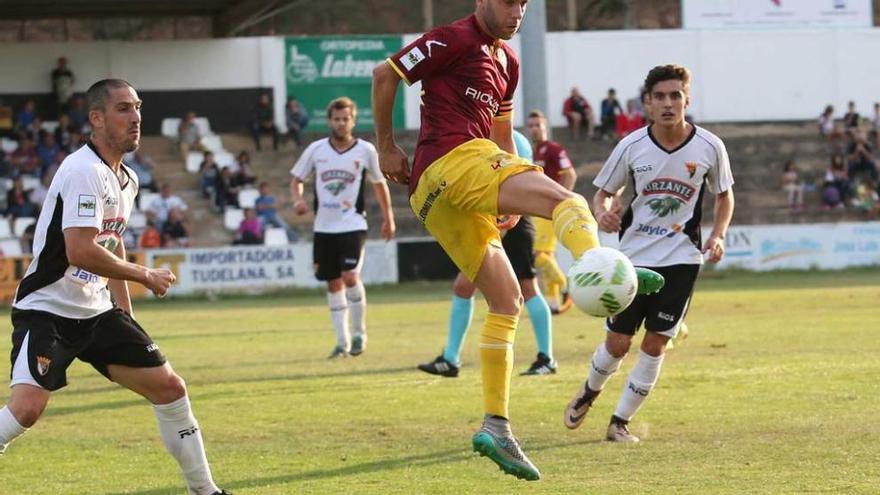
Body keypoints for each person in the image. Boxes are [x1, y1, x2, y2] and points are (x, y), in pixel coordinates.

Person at [372, 0, 663, 480]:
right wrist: (385, 145)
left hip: (434, 196)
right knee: (570, 203)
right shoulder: (453, 38)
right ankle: (602, 268)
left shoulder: (507, 61)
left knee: (506, 302)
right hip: (454, 161)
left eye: (524, 4)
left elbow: (502, 135)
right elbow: (385, 76)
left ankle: (496, 425)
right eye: (508, 2)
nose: (517, 12)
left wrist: (505, 193)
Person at [0, 79, 229, 495]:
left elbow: (112, 237)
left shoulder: (127, 178)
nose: (136, 117)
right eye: (124, 108)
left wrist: (125, 313)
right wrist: (144, 275)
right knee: (27, 411)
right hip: (47, 308)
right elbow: (80, 250)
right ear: (96, 118)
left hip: (96, 311)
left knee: (170, 388)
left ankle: (206, 491)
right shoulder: (84, 171)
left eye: (138, 107)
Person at [564, 64, 734, 444]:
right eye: (660, 97)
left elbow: (724, 195)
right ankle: (589, 392)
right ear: (647, 103)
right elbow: (603, 192)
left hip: (683, 259)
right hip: (632, 261)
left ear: (687, 100)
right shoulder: (630, 147)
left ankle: (619, 422)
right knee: (618, 342)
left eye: (676, 96)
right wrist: (602, 211)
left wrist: (719, 236)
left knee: (655, 343)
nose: (669, 103)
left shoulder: (709, 147)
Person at [418, 131, 557, 378]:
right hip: (493, 218)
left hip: (509, 220)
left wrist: (502, 220)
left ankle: (546, 357)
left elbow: (513, 181)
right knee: (465, 287)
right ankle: (450, 358)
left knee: (526, 288)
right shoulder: (483, 133)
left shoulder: (509, 137)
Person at [290, 97, 396, 359]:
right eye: (336, 119)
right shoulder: (316, 149)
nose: (340, 123)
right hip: (324, 227)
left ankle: (360, 333)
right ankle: (342, 342)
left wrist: (388, 218)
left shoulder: (365, 150)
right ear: (330, 121)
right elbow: (296, 179)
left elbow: (379, 183)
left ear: (353, 120)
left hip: (353, 223)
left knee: (350, 276)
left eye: (345, 118)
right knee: (333, 283)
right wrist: (298, 199)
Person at [526, 110, 575, 314]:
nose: (534, 129)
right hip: (538, 209)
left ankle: (566, 286)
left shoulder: (553, 149)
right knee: (547, 256)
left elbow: (570, 174)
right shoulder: (533, 152)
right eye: (531, 126)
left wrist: (560, 200)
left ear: (545, 127)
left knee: (537, 255)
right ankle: (553, 303)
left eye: (538, 125)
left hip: (549, 208)